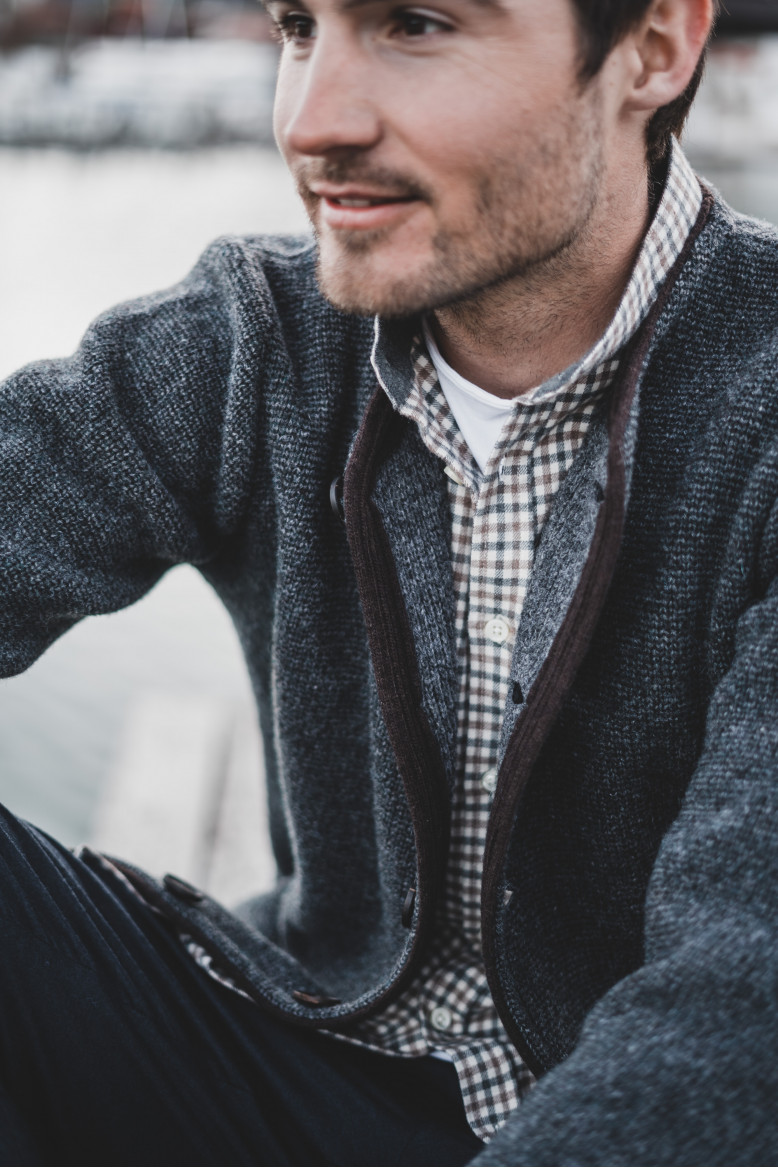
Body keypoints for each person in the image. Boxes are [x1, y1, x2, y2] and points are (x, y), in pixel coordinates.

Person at [1, 0, 777, 1162]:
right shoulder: (258, 340)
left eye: (414, 24)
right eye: (297, 26)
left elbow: (740, 1002)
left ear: (653, 46)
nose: (313, 120)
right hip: (300, 1050)